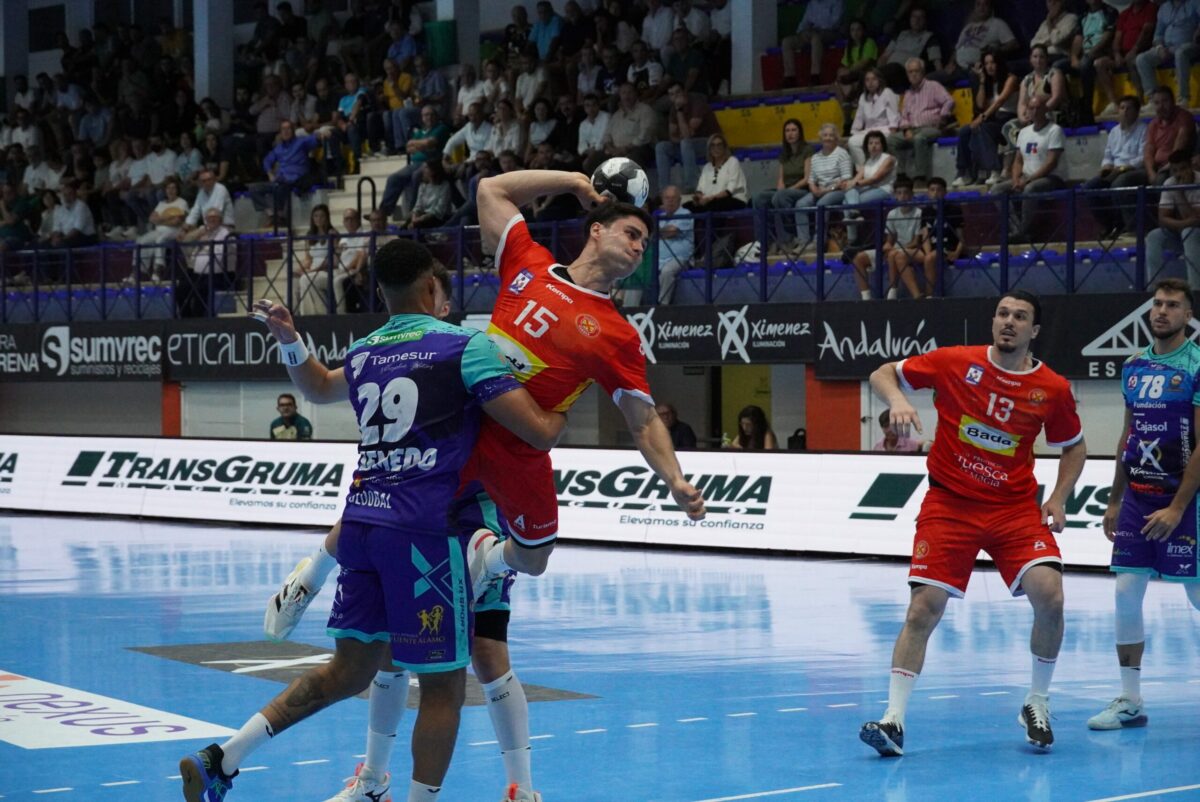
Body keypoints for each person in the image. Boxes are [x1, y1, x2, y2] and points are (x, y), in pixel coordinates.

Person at [264, 174, 707, 802]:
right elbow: (490, 190)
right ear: (597, 228)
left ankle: (506, 770)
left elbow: (641, 419)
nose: (640, 246)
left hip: (517, 458)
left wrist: (676, 479)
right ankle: (314, 595)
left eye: (646, 241)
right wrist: (572, 182)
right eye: (632, 232)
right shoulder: (529, 262)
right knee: (391, 547)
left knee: (524, 579)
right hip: (464, 434)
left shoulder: (616, 335)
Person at [181, 239, 569, 802]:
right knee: (442, 688)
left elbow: (317, 387)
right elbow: (536, 431)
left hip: (361, 527)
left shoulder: (365, 351)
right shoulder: (464, 346)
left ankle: (223, 758)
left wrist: (290, 340)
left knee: (348, 671)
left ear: (382, 293)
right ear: (432, 288)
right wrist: (566, 402)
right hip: (424, 533)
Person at [860, 290, 1087, 757]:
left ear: (1033, 331)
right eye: (1003, 313)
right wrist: (898, 399)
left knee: (1051, 596)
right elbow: (882, 373)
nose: (1009, 321)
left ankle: (1037, 701)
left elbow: (1074, 446)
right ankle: (893, 720)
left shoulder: (1053, 388)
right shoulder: (955, 362)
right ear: (993, 321)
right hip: (950, 504)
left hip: (1014, 510)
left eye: (1020, 316)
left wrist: (1058, 498)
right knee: (923, 608)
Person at [1091, 278, 1200, 732]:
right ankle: (1130, 700)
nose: (1162, 311)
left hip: (1187, 500)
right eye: (1157, 304)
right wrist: (1114, 499)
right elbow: (1128, 435)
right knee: (1125, 592)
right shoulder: (1134, 366)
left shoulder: (1196, 364)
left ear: (1187, 316)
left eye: (1172, 305)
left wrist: (1177, 508)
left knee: (1196, 595)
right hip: (1137, 496)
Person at [988, 100, 1067, 244]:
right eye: (1031, 108)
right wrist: (1016, 179)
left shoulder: (1054, 130)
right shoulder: (1024, 132)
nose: (1034, 111)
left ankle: (1024, 230)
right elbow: (1018, 160)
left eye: (1038, 108)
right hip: (1026, 176)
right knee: (996, 190)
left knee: (1030, 189)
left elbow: (1051, 163)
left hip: (1051, 177)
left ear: (1045, 110)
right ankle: (1016, 230)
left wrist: (1028, 180)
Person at [1083, 96, 1149, 240]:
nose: (1125, 111)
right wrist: (1106, 166)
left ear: (1137, 112)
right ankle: (1108, 225)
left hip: (1134, 170)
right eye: (1122, 108)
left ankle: (1127, 227)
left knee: (1119, 183)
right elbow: (1108, 155)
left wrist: (1123, 168)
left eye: (1129, 108)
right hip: (1115, 170)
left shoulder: (1143, 129)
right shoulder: (1114, 131)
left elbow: (1143, 158)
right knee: (1089, 187)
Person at [852, 175, 923, 300]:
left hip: (912, 250)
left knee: (894, 254)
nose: (903, 196)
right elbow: (890, 240)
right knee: (859, 258)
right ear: (895, 195)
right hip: (894, 250)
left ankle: (892, 291)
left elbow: (916, 242)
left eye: (906, 193)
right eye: (899, 193)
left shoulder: (919, 213)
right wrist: (886, 246)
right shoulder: (892, 213)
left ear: (912, 194)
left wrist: (896, 249)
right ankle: (866, 298)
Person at [954, 48, 1018, 187]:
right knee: (965, 131)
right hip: (992, 117)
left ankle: (994, 170)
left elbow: (1000, 101)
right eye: (987, 63)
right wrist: (982, 81)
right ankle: (965, 173)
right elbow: (980, 104)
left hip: (1008, 118)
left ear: (999, 63)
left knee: (983, 128)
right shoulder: (989, 83)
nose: (990, 66)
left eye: (993, 62)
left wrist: (982, 118)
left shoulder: (1011, 78)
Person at [887, 58, 955, 188]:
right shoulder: (908, 93)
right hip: (912, 129)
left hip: (931, 128)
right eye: (910, 72)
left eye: (916, 71)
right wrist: (906, 129)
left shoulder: (933, 86)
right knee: (890, 140)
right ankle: (901, 174)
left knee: (919, 138)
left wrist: (943, 116)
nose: (913, 74)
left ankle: (920, 177)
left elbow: (949, 101)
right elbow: (904, 116)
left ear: (922, 72)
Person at [249, 120, 330, 227]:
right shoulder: (278, 148)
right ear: (280, 132)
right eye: (283, 129)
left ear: (293, 130)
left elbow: (314, 137)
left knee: (281, 188)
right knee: (254, 189)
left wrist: (322, 133)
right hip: (280, 180)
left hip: (296, 180)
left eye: (288, 128)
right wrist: (270, 173)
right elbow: (267, 161)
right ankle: (273, 214)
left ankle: (279, 217)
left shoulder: (301, 142)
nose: (286, 131)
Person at [751, 119, 810, 254]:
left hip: (802, 189)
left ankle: (788, 239)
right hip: (786, 190)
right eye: (787, 131)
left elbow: (807, 178)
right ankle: (766, 242)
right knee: (758, 198)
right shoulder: (784, 153)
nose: (790, 134)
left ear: (800, 132)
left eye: (793, 130)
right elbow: (780, 179)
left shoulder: (807, 150)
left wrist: (788, 190)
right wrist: (781, 188)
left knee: (780, 196)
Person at [655, 81, 721, 193]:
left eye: (678, 92)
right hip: (688, 147)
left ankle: (691, 186)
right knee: (661, 146)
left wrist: (679, 111)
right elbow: (672, 136)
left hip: (711, 144)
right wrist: (681, 137)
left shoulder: (697, 103)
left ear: (684, 92)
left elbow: (686, 136)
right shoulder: (673, 108)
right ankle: (664, 190)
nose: (676, 96)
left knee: (685, 143)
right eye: (672, 94)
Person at [1146, 150, 1200, 287]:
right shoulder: (1170, 183)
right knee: (1153, 236)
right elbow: (1163, 218)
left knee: (1188, 233)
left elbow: (1196, 220)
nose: (1179, 174)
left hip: (1196, 233)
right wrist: (1183, 224)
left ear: (1191, 166)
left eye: (1183, 168)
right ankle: (1154, 288)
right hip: (1180, 229)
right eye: (1175, 170)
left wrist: (1181, 193)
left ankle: (1196, 289)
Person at [1135, 0, 1200, 113]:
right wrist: (1160, 47)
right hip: (1167, 47)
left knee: (1180, 53)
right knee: (1142, 59)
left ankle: (1183, 98)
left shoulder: (1195, 3)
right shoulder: (1164, 8)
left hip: (1190, 44)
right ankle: (1153, 100)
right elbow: (1158, 34)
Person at [1094, 0, 1156, 116]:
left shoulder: (1150, 8)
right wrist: (1117, 53)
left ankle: (1139, 101)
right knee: (1100, 63)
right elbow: (1118, 36)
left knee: (1132, 60)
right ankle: (1114, 103)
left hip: (1141, 50)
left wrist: (1134, 50)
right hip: (1123, 54)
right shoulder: (1125, 14)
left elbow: (1147, 31)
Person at [794, 123, 852, 246]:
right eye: (825, 135)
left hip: (838, 190)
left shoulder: (842, 154)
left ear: (836, 138)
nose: (828, 138)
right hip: (820, 190)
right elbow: (811, 179)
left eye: (831, 135)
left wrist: (825, 190)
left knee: (822, 204)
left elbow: (846, 179)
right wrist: (814, 189)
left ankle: (818, 241)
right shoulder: (815, 157)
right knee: (800, 204)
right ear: (821, 138)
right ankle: (803, 241)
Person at [843, 130, 895, 244]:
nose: (873, 146)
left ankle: (852, 239)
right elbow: (856, 178)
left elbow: (876, 178)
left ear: (882, 145)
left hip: (883, 189)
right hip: (870, 189)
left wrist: (856, 184)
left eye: (877, 143)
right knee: (849, 194)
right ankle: (855, 214)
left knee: (848, 202)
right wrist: (849, 183)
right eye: (870, 143)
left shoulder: (888, 159)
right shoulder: (868, 161)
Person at [780, 0, 843, 88]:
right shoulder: (812, 3)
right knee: (787, 42)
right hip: (812, 32)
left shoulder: (836, 2)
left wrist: (814, 29)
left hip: (830, 32)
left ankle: (815, 75)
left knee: (815, 39)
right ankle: (790, 77)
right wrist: (801, 32)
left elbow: (834, 23)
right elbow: (805, 21)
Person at [879, 7, 943, 94]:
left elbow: (937, 63)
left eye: (921, 17)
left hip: (906, 73)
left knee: (893, 68)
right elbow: (885, 56)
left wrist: (941, 81)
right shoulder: (901, 34)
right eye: (914, 17)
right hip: (888, 70)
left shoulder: (929, 37)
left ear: (925, 20)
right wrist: (877, 70)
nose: (917, 20)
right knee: (867, 74)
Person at [136, 176, 188, 279]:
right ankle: (139, 271)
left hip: (175, 231)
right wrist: (168, 217)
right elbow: (151, 218)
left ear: (177, 190)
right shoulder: (161, 203)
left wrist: (160, 219)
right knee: (141, 240)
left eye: (173, 188)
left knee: (161, 239)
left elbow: (177, 222)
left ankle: (158, 269)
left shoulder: (182, 202)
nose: (170, 190)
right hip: (158, 231)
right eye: (168, 188)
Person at [1144, 86, 1197, 186]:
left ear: (1173, 102)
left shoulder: (1184, 117)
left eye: (1165, 101)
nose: (1161, 106)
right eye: (1157, 103)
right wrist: (1151, 172)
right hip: (1156, 167)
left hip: (1176, 165)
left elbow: (1179, 147)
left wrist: (1167, 166)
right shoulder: (1153, 124)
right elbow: (1148, 151)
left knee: (1160, 180)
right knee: (1124, 181)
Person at [295, 203, 341, 316]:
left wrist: (313, 271)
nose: (318, 219)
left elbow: (333, 259)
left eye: (322, 216)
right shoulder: (310, 235)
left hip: (328, 271)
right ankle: (294, 314)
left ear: (327, 218)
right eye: (316, 216)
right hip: (313, 270)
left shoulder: (332, 234)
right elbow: (308, 259)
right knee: (294, 280)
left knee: (305, 279)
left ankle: (314, 314)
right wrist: (299, 269)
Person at [846, 68, 899, 167]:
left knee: (875, 142)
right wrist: (854, 134)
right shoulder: (863, 97)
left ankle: (878, 168)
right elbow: (858, 119)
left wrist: (892, 135)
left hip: (885, 131)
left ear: (879, 80)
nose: (870, 82)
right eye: (867, 80)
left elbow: (894, 118)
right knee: (852, 142)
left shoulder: (887, 92)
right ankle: (864, 169)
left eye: (874, 79)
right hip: (868, 132)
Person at [685, 133, 748, 213]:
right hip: (711, 200)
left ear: (724, 147)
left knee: (714, 206)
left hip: (733, 199)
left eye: (719, 145)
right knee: (687, 207)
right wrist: (698, 198)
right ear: (709, 149)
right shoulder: (707, 167)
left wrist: (710, 198)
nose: (716, 148)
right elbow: (700, 189)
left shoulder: (733, 161)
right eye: (713, 146)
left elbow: (729, 191)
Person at [654, 184, 694, 304]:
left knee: (667, 271)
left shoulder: (685, 213)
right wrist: (660, 232)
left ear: (679, 200)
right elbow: (651, 234)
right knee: (635, 269)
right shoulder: (660, 216)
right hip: (658, 259)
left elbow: (672, 232)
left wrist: (657, 231)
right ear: (662, 200)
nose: (670, 201)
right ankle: (628, 307)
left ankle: (662, 305)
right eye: (667, 198)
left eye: (673, 198)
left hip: (680, 259)